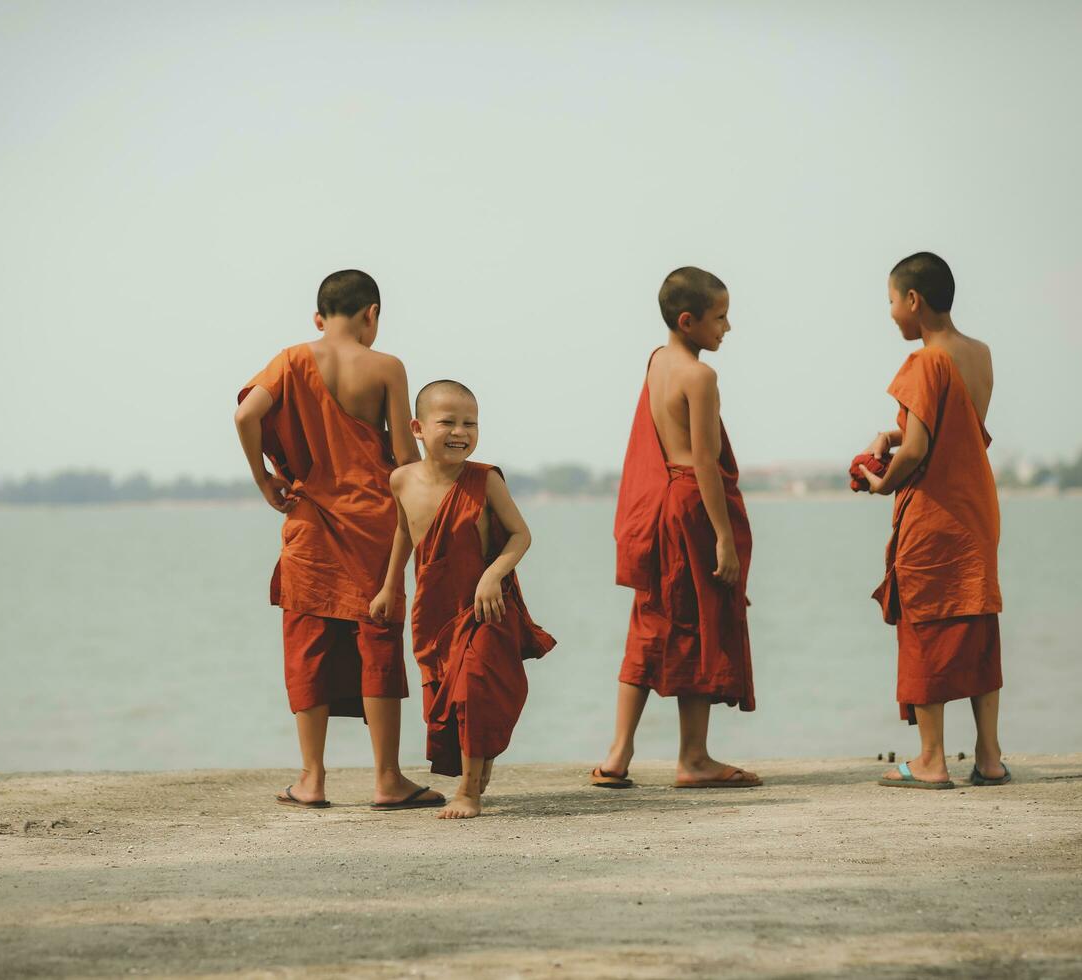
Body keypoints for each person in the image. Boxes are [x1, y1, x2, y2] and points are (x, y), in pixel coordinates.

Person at [234, 270, 444, 810]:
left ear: (319, 319)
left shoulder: (289, 360)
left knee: (307, 645)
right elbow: (403, 455)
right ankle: (387, 779)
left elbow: (246, 414)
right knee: (378, 642)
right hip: (375, 523)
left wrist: (264, 479)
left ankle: (311, 779)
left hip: (309, 524)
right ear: (372, 313)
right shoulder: (386, 367)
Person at [595, 267, 760, 791]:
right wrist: (725, 539)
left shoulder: (657, 361)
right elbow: (706, 463)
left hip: (658, 509)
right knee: (698, 625)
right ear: (688, 321)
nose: (728, 328)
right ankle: (693, 758)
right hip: (691, 509)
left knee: (651, 622)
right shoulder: (700, 376)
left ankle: (618, 754)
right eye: (720, 317)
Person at [854, 252, 1008, 789]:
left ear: (913, 301)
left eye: (892, 301)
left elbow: (920, 449)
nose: (891, 312)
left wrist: (882, 481)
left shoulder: (923, 363)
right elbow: (957, 430)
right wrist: (889, 435)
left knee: (926, 627)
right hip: (976, 509)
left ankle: (931, 761)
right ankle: (989, 758)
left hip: (934, 514)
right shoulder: (980, 354)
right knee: (977, 623)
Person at [371, 380, 555, 819]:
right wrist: (387, 584)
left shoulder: (484, 479)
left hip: (485, 608)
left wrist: (493, 575)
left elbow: (520, 534)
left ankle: (469, 792)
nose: (461, 431)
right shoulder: (401, 480)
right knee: (446, 699)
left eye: (470, 423)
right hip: (434, 608)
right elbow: (403, 533)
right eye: (448, 422)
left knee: (476, 692)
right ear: (417, 427)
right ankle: (478, 771)